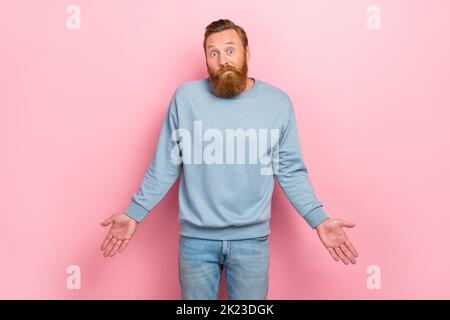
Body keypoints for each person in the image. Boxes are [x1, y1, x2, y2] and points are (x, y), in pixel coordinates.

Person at [100, 19, 358, 300]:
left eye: (230, 50)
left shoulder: (277, 103)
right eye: (213, 53)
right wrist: (134, 213)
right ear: (206, 60)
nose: (223, 60)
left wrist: (319, 219)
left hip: (252, 242)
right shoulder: (186, 99)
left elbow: (290, 170)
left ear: (247, 52)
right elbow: (165, 164)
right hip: (196, 242)